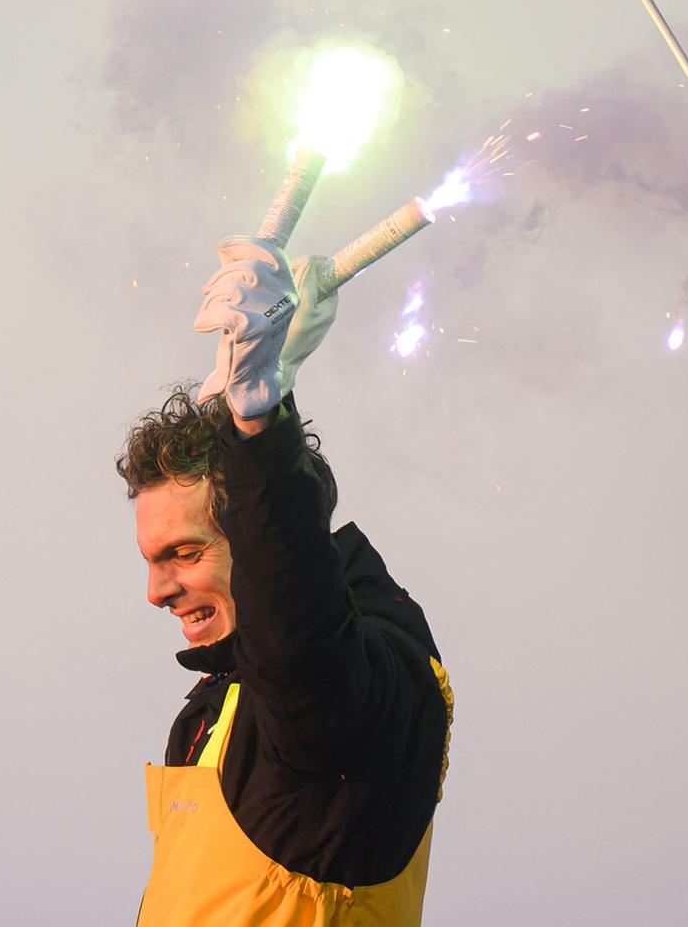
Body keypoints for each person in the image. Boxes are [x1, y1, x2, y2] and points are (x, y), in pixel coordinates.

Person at [117, 235, 453, 926]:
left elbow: (298, 640)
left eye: (183, 554)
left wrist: (260, 430)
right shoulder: (220, 712)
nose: (157, 591)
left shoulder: (349, 698)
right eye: (152, 562)